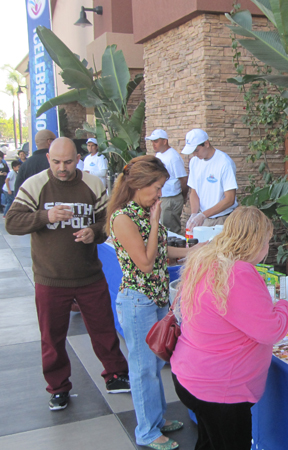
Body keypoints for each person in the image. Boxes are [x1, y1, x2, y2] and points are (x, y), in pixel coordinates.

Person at [5, 137, 130, 411]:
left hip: (89, 275)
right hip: (50, 278)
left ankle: (116, 374)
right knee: (52, 337)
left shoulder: (92, 184)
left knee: (104, 329)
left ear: (78, 159)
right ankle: (59, 387)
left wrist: (93, 233)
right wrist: (45, 217)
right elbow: (12, 222)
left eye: (69, 161)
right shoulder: (35, 184)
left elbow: (107, 222)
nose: (62, 168)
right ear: (49, 158)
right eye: (57, 162)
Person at [171, 206, 288, 450]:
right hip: (220, 390)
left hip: (190, 374)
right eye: (267, 242)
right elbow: (270, 330)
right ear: (257, 243)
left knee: (208, 442)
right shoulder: (238, 272)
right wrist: (283, 306)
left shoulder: (207, 258)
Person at [107, 155, 189, 450]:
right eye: (156, 187)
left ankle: (156, 418)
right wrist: (156, 222)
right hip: (137, 300)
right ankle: (146, 431)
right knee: (142, 368)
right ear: (138, 185)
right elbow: (144, 261)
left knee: (154, 364)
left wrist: (194, 250)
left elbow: (163, 252)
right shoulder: (123, 218)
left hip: (155, 297)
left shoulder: (143, 212)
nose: (160, 194)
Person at [181, 129, 238, 230]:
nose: (194, 154)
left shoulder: (224, 162)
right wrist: (194, 214)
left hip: (223, 218)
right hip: (205, 218)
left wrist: (203, 215)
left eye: (196, 150)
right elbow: (194, 191)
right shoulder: (194, 162)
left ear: (206, 144)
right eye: (192, 151)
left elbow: (230, 199)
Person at [145, 129, 188, 234]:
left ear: (164, 141)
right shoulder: (159, 154)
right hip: (162, 197)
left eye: (156, 141)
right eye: (152, 141)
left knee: (170, 230)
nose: (153, 144)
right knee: (161, 228)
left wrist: (183, 197)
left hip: (171, 198)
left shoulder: (173, 157)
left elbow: (183, 179)